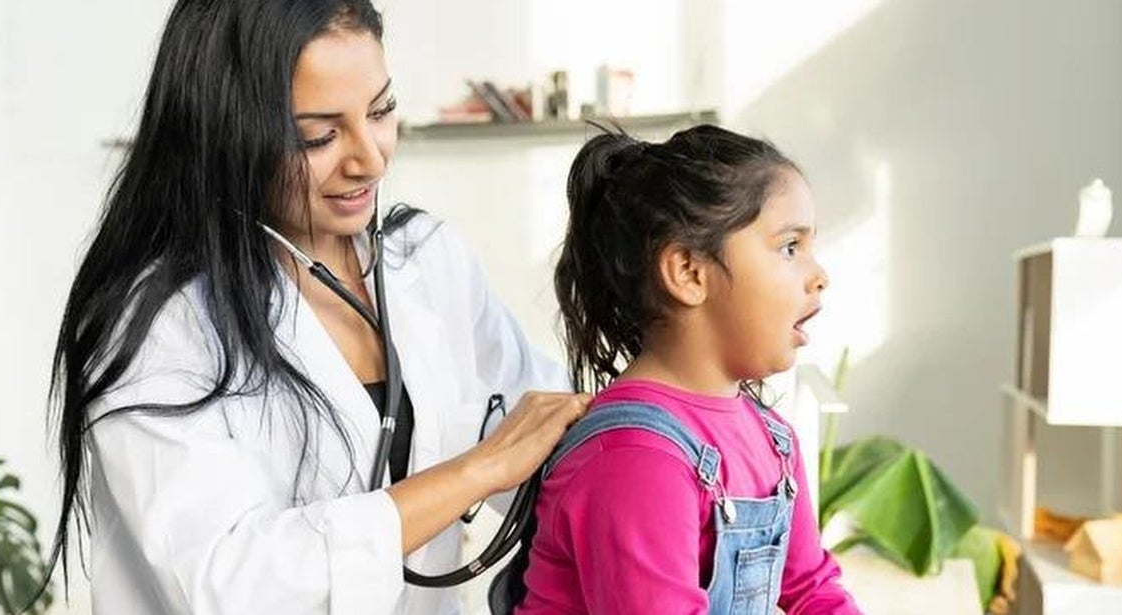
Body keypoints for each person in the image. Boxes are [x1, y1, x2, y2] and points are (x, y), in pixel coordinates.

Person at [42, 1, 589, 613]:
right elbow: (231, 582)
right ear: (228, 133)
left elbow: (546, 433)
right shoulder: (160, 324)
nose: (371, 158)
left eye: (380, 111)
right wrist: (475, 471)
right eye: (319, 136)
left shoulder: (428, 262)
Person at [514, 125, 861, 614]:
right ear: (689, 273)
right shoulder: (634, 456)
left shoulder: (772, 439)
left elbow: (814, 590)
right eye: (789, 247)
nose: (818, 274)